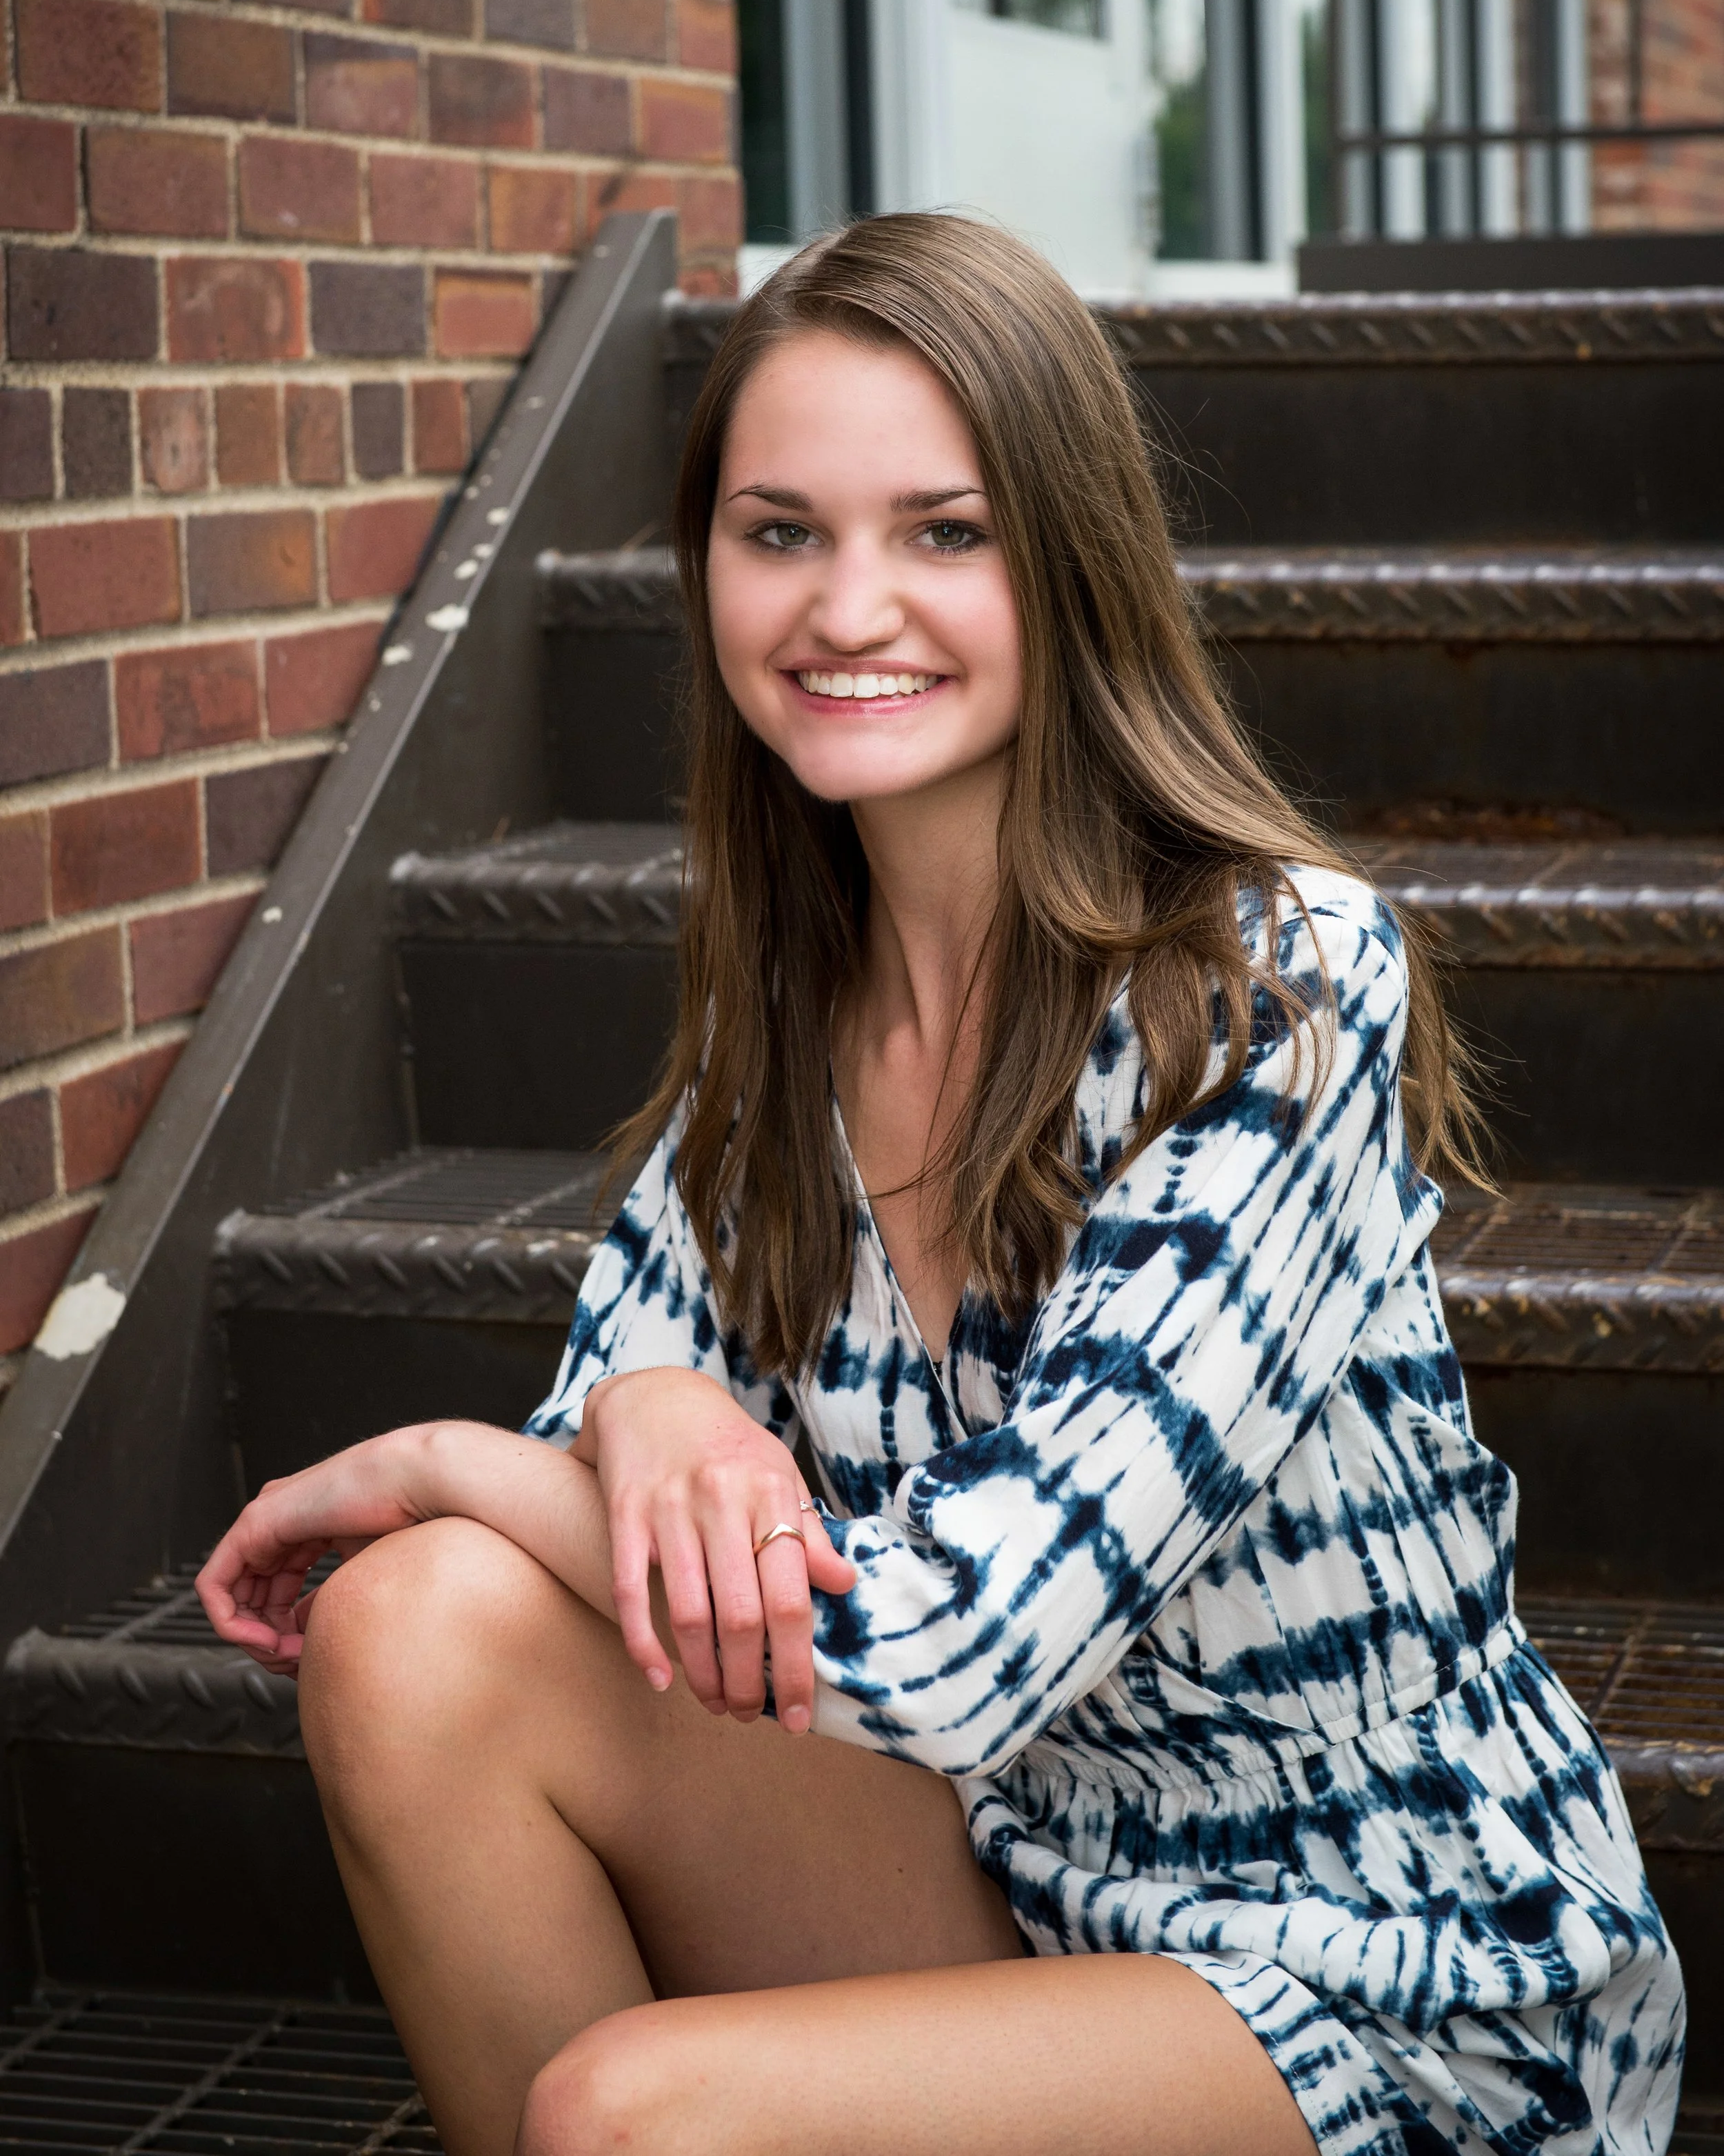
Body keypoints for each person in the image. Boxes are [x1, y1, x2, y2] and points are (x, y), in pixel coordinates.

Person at [200, 215, 1683, 2156]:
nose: (846, 606)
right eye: (780, 529)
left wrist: (425, 1459)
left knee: (630, 2113)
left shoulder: (1267, 991)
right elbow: (611, 1423)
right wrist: (652, 1401)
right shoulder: (790, 1019)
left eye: (943, 532)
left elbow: (958, 1642)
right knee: (416, 1637)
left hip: (1381, 1974)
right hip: (1020, 1864)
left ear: (1065, 564)